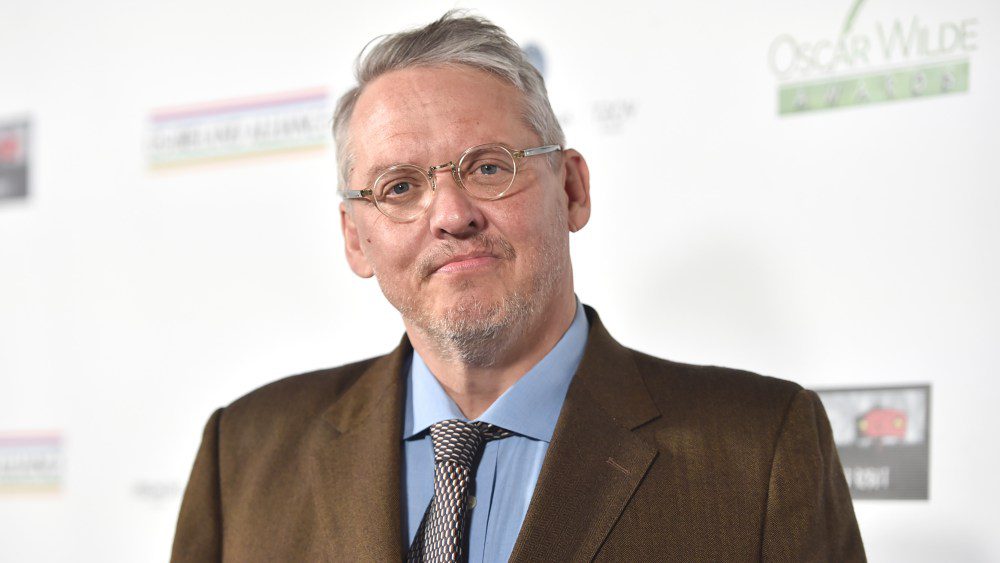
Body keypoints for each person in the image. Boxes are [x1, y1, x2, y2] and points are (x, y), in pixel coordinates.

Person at [171, 11, 865, 562]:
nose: (451, 215)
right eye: (400, 186)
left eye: (488, 167)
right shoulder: (246, 454)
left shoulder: (759, 451)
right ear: (356, 237)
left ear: (571, 188)